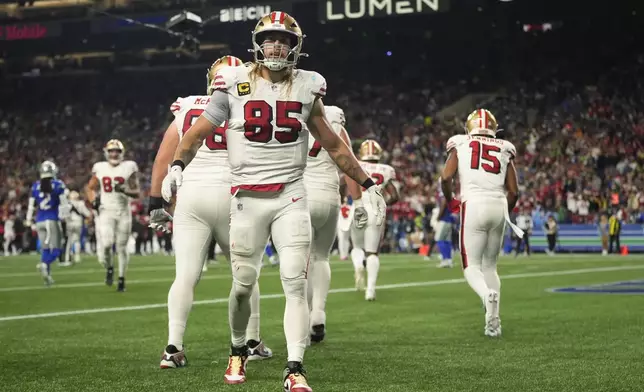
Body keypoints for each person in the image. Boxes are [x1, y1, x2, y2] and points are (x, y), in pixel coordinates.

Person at [161, 11, 386, 391]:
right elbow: (198, 132)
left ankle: (295, 367)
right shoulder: (234, 83)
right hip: (247, 198)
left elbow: (333, 145)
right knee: (244, 284)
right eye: (270, 38)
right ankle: (237, 349)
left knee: (294, 282)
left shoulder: (308, 86)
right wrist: (177, 165)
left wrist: (367, 183)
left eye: (284, 39)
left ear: (296, 46)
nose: (277, 45)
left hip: (291, 196)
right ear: (257, 43)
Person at [147, 55, 273, 369]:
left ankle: (173, 348)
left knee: (185, 276)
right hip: (233, 195)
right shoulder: (249, 103)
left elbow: (164, 158)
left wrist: (155, 204)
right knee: (246, 275)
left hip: (191, 196)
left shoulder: (188, 105)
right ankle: (252, 342)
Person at [439, 109, 524, 338]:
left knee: (471, 266)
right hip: (498, 205)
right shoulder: (504, 147)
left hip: (473, 204)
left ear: (469, 127)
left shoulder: (461, 142)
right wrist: (504, 207)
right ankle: (493, 323)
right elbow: (514, 192)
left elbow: (446, 177)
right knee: (490, 266)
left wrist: (450, 201)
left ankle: (487, 296)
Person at [304, 105, 363, 343]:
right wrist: (358, 200)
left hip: (299, 196)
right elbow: (347, 161)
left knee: (301, 261)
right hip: (328, 197)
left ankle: (304, 320)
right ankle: (318, 313)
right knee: (321, 257)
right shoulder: (335, 120)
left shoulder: (287, 114)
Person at [86, 139, 140, 292]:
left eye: (117, 151)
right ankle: (110, 268)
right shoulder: (100, 168)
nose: (114, 154)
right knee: (107, 244)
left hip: (123, 211)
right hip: (106, 211)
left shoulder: (129, 167)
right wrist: (93, 200)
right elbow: (90, 188)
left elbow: (137, 192)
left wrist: (124, 190)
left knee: (122, 247)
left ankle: (122, 279)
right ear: (106, 153)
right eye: (111, 151)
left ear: (121, 153)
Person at [350, 140, 399, 300]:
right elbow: (395, 196)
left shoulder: (356, 164)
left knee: (357, 247)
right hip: (375, 207)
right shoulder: (386, 169)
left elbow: (346, 184)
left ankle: (358, 266)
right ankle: (370, 290)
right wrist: (384, 204)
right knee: (372, 252)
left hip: (359, 205)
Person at [25, 161, 70, 286]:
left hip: (39, 220)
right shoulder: (58, 184)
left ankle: (47, 276)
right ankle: (45, 264)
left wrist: (28, 220)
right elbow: (64, 203)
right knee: (57, 249)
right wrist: (66, 217)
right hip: (51, 220)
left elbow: (31, 206)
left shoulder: (35, 185)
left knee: (45, 249)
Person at [64, 191, 92, 264]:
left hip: (69, 223)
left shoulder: (67, 203)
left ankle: (68, 257)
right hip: (78, 222)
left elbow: (63, 215)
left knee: (69, 241)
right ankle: (77, 256)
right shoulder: (81, 203)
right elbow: (87, 213)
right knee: (77, 240)